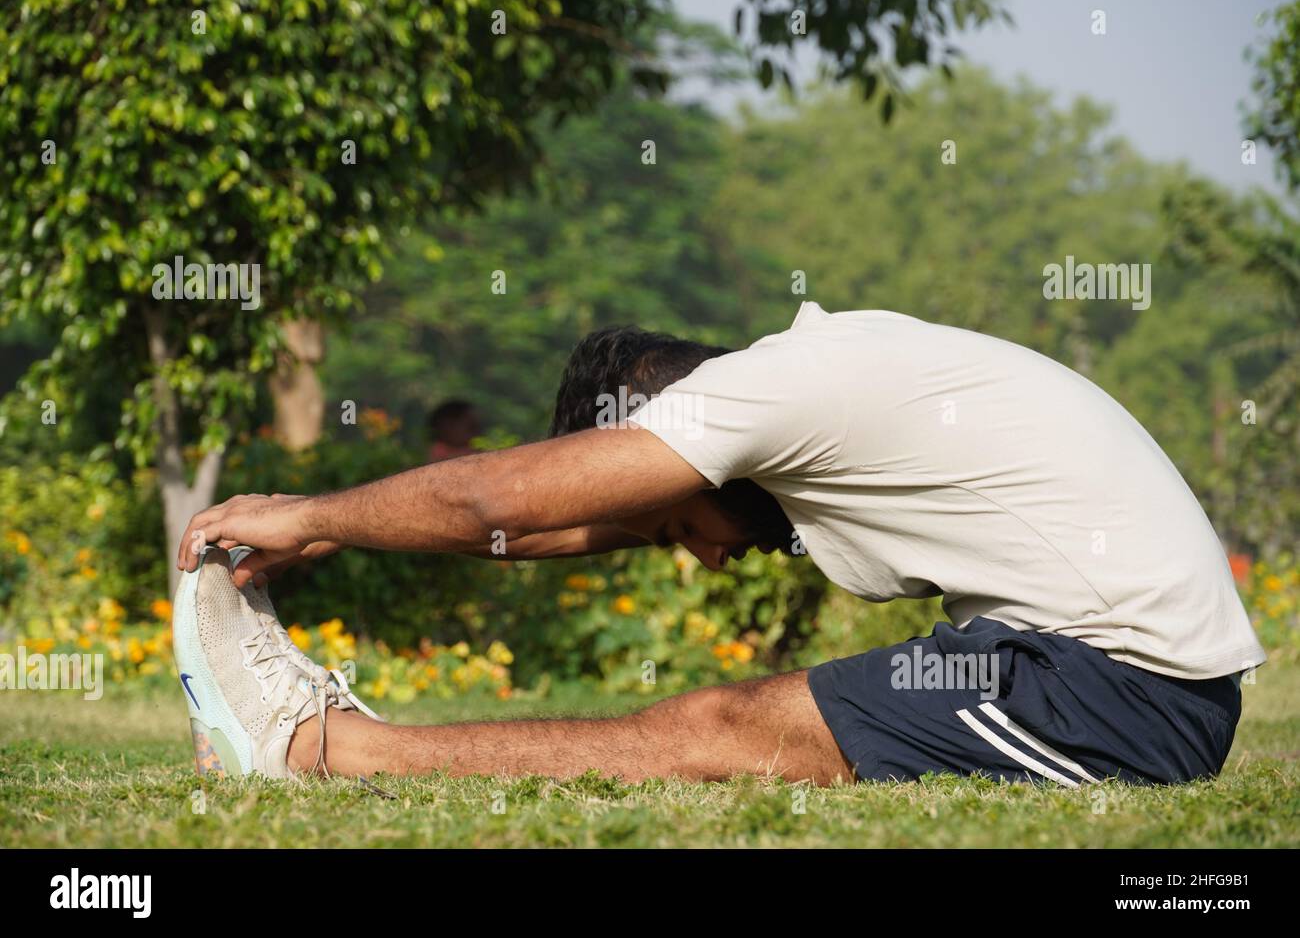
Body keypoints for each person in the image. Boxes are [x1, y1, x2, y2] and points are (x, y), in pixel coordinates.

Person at [173, 302, 1264, 786]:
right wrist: (356, 533)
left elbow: (497, 495)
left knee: (714, 728)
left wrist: (314, 509)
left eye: (670, 525)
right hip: (1099, 667)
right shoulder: (799, 386)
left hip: (1126, 688)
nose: (694, 555)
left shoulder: (769, 391)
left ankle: (323, 752)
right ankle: (329, 745)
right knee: (722, 719)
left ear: (658, 428)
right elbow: (542, 518)